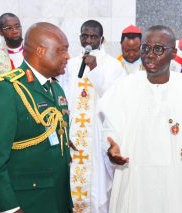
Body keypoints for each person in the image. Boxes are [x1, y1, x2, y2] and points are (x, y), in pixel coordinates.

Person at [97, 25, 182, 213]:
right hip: (134, 180)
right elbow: (110, 129)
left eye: (158, 49)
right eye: (146, 48)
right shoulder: (124, 88)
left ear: (173, 53)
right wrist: (111, 147)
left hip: (177, 182)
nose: (150, 54)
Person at [0, 22, 73, 213]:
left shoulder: (55, 88)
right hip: (27, 203)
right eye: (62, 50)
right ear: (40, 51)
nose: (67, 56)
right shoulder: (8, 90)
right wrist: (10, 208)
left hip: (57, 200)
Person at [59, 19, 125, 213]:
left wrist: (95, 69)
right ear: (80, 38)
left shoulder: (113, 66)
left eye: (94, 36)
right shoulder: (69, 65)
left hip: (97, 136)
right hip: (73, 135)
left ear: (101, 39)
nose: (89, 40)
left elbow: (115, 100)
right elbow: (62, 97)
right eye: (85, 36)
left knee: (98, 188)